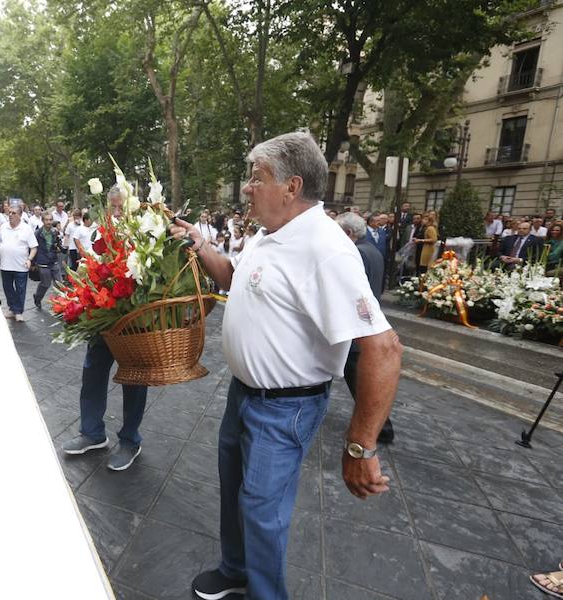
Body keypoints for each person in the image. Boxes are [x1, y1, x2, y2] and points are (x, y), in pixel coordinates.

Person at [171, 132, 401, 600]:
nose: (247, 188)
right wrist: (201, 245)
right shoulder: (267, 234)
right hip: (243, 394)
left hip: (285, 407)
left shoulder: (326, 248)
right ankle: (235, 569)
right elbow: (237, 280)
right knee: (234, 488)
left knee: (261, 509)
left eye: (257, 179)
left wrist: (361, 447)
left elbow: (383, 347)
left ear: (292, 187)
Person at [61, 186, 150, 472]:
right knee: (93, 372)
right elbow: (93, 266)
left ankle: (130, 440)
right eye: (112, 207)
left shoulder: (146, 230)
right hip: (104, 313)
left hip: (134, 318)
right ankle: (92, 433)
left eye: (120, 207)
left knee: (134, 379)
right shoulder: (101, 231)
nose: (115, 213)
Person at [335, 212, 395, 444]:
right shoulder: (372, 250)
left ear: (348, 233)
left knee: (358, 380)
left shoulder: (356, 252)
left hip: (356, 328)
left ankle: (381, 427)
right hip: (364, 323)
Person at [0, 204, 37, 322]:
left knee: (20, 289)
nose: (10, 215)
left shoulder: (26, 228)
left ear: (20, 215)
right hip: (5, 265)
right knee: (7, 288)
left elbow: (34, 247)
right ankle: (12, 308)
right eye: (9, 212)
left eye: (13, 213)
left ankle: (18, 311)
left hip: (21, 265)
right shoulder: (3, 227)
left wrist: (29, 259)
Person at [33, 210, 64, 308]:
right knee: (46, 284)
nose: (49, 222)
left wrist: (59, 248)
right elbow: (34, 247)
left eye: (50, 220)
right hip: (43, 262)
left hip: (54, 260)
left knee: (60, 283)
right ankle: (38, 297)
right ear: (43, 221)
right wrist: (33, 263)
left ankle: (61, 304)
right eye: (46, 220)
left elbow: (58, 244)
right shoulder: (37, 233)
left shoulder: (55, 232)